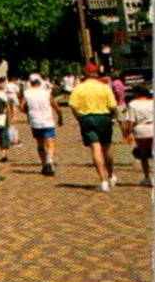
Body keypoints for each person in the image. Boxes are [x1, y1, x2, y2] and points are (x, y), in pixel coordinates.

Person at [68, 63, 119, 192]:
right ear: (97, 73)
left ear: (85, 73)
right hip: (104, 117)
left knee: (95, 148)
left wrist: (79, 118)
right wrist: (112, 118)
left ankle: (103, 181)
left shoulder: (79, 88)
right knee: (107, 148)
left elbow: (73, 106)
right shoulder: (104, 87)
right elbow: (113, 106)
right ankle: (111, 175)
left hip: (87, 118)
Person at [24, 73, 61, 176]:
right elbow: (55, 106)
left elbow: (22, 107)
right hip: (47, 120)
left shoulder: (27, 93)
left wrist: (29, 112)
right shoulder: (46, 93)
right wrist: (60, 116)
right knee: (50, 144)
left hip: (35, 121)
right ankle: (50, 161)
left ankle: (44, 164)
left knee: (40, 144)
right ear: (40, 82)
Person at [122, 83, 153, 187]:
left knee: (144, 155)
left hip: (141, 130)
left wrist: (127, 133)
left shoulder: (133, 104)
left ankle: (147, 177)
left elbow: (131, 121)